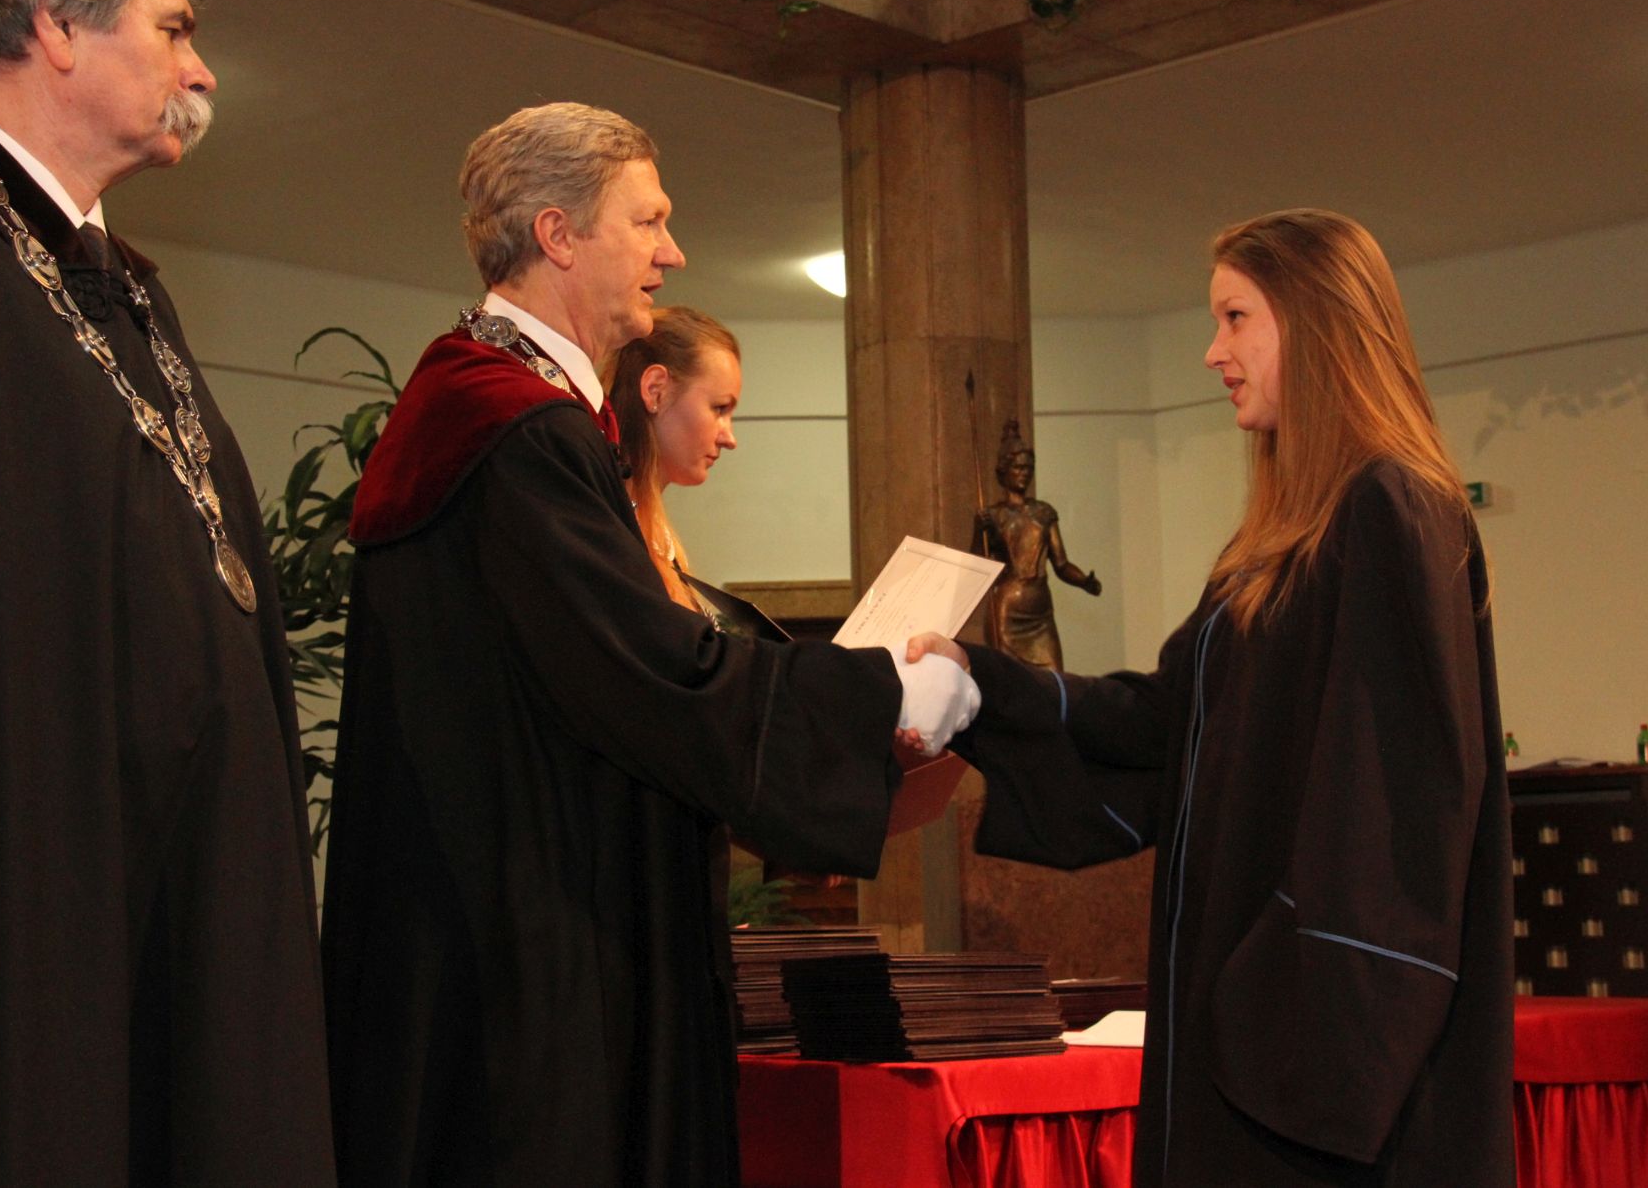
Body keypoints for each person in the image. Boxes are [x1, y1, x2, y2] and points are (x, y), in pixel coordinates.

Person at [320, 102, 977, 1187]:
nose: (672, 253)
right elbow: (654, 677)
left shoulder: (489, 409)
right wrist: (886, 692)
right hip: (533, 967)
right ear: (558, 234)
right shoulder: (516, 427)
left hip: (496, 935)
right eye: (649, 221)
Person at [908, 209, 1513, 1186]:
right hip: (1247, 1033)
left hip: (1317, 1067)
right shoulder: (1273, 547)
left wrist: (1275, 993)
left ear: (1314, 322)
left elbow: (1400, 804)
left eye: (1235, 318)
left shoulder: (1391, 507)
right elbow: (1164, 725)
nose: (1211, 352)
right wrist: (979, 686)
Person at [0, 0, 334, 1184]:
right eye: (173, 30)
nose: (203, 71)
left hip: (178, 893)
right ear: (57, 27)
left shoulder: (121, 283)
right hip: (28, 906)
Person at [604, 305, 742, 614]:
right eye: (719, 408)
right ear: (655, 390)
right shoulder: (612, 523)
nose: (729, 439)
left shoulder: (650, 527)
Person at [972, 418, 1102, 670]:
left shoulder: (1044, 512)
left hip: (1040, 610)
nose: (1024, 473)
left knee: (1054, 676)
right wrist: (980, 531)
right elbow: (978, 565)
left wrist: (1084, 581)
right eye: (1018, 467)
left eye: (1028, 468)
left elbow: (1061, 565)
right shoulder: (993, 516)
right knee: (1011, 680)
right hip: (1007, 610)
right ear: (1004, 471)